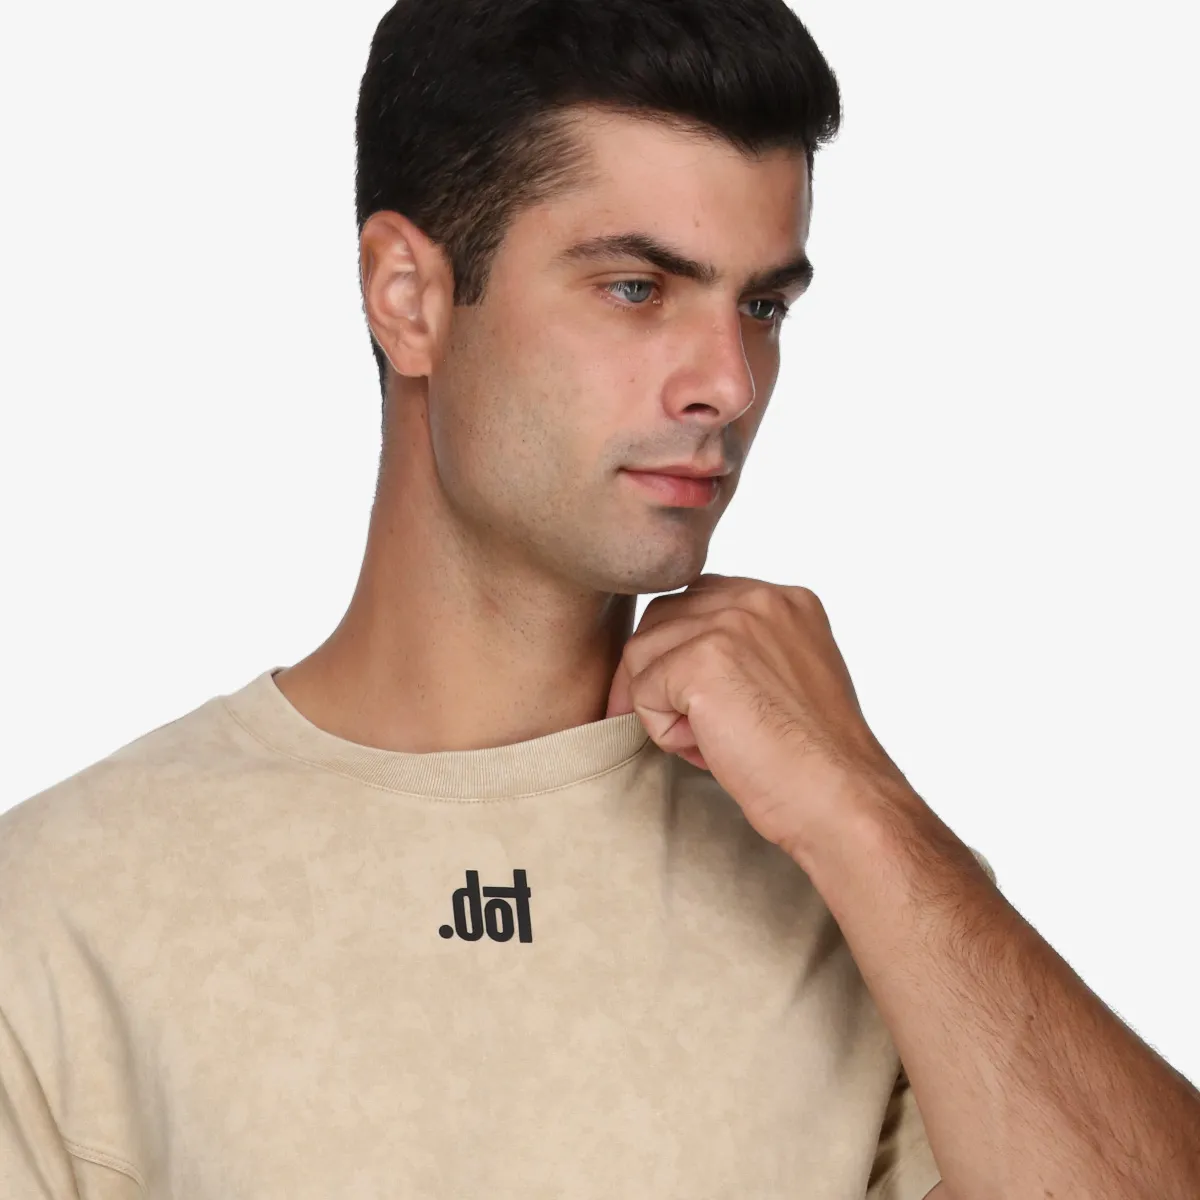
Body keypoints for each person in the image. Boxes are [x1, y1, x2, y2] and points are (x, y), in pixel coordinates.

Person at [7, 2, 1200, 1199]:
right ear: (409, 297)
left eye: (762, 307)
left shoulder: (863, 885)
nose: (728, 384)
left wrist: (864, 812)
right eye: (638, 289)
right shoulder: (63, 911)